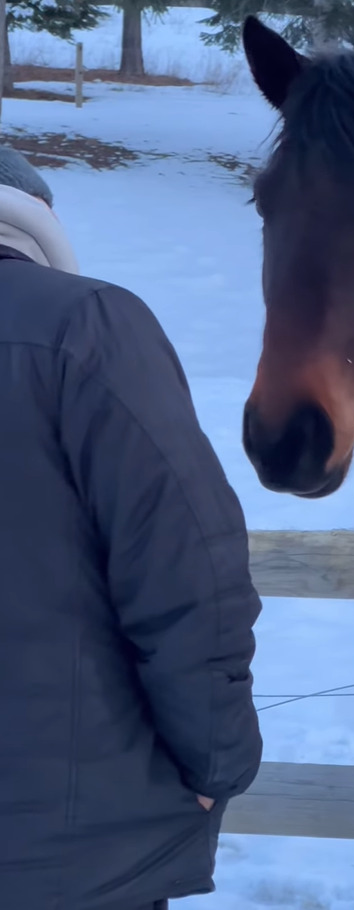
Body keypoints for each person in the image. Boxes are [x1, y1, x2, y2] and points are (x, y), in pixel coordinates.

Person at [0, 172, 262, 909]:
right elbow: (190, 574)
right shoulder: (84, 326)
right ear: (36, 221)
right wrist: (216, 765)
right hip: (70, 861)